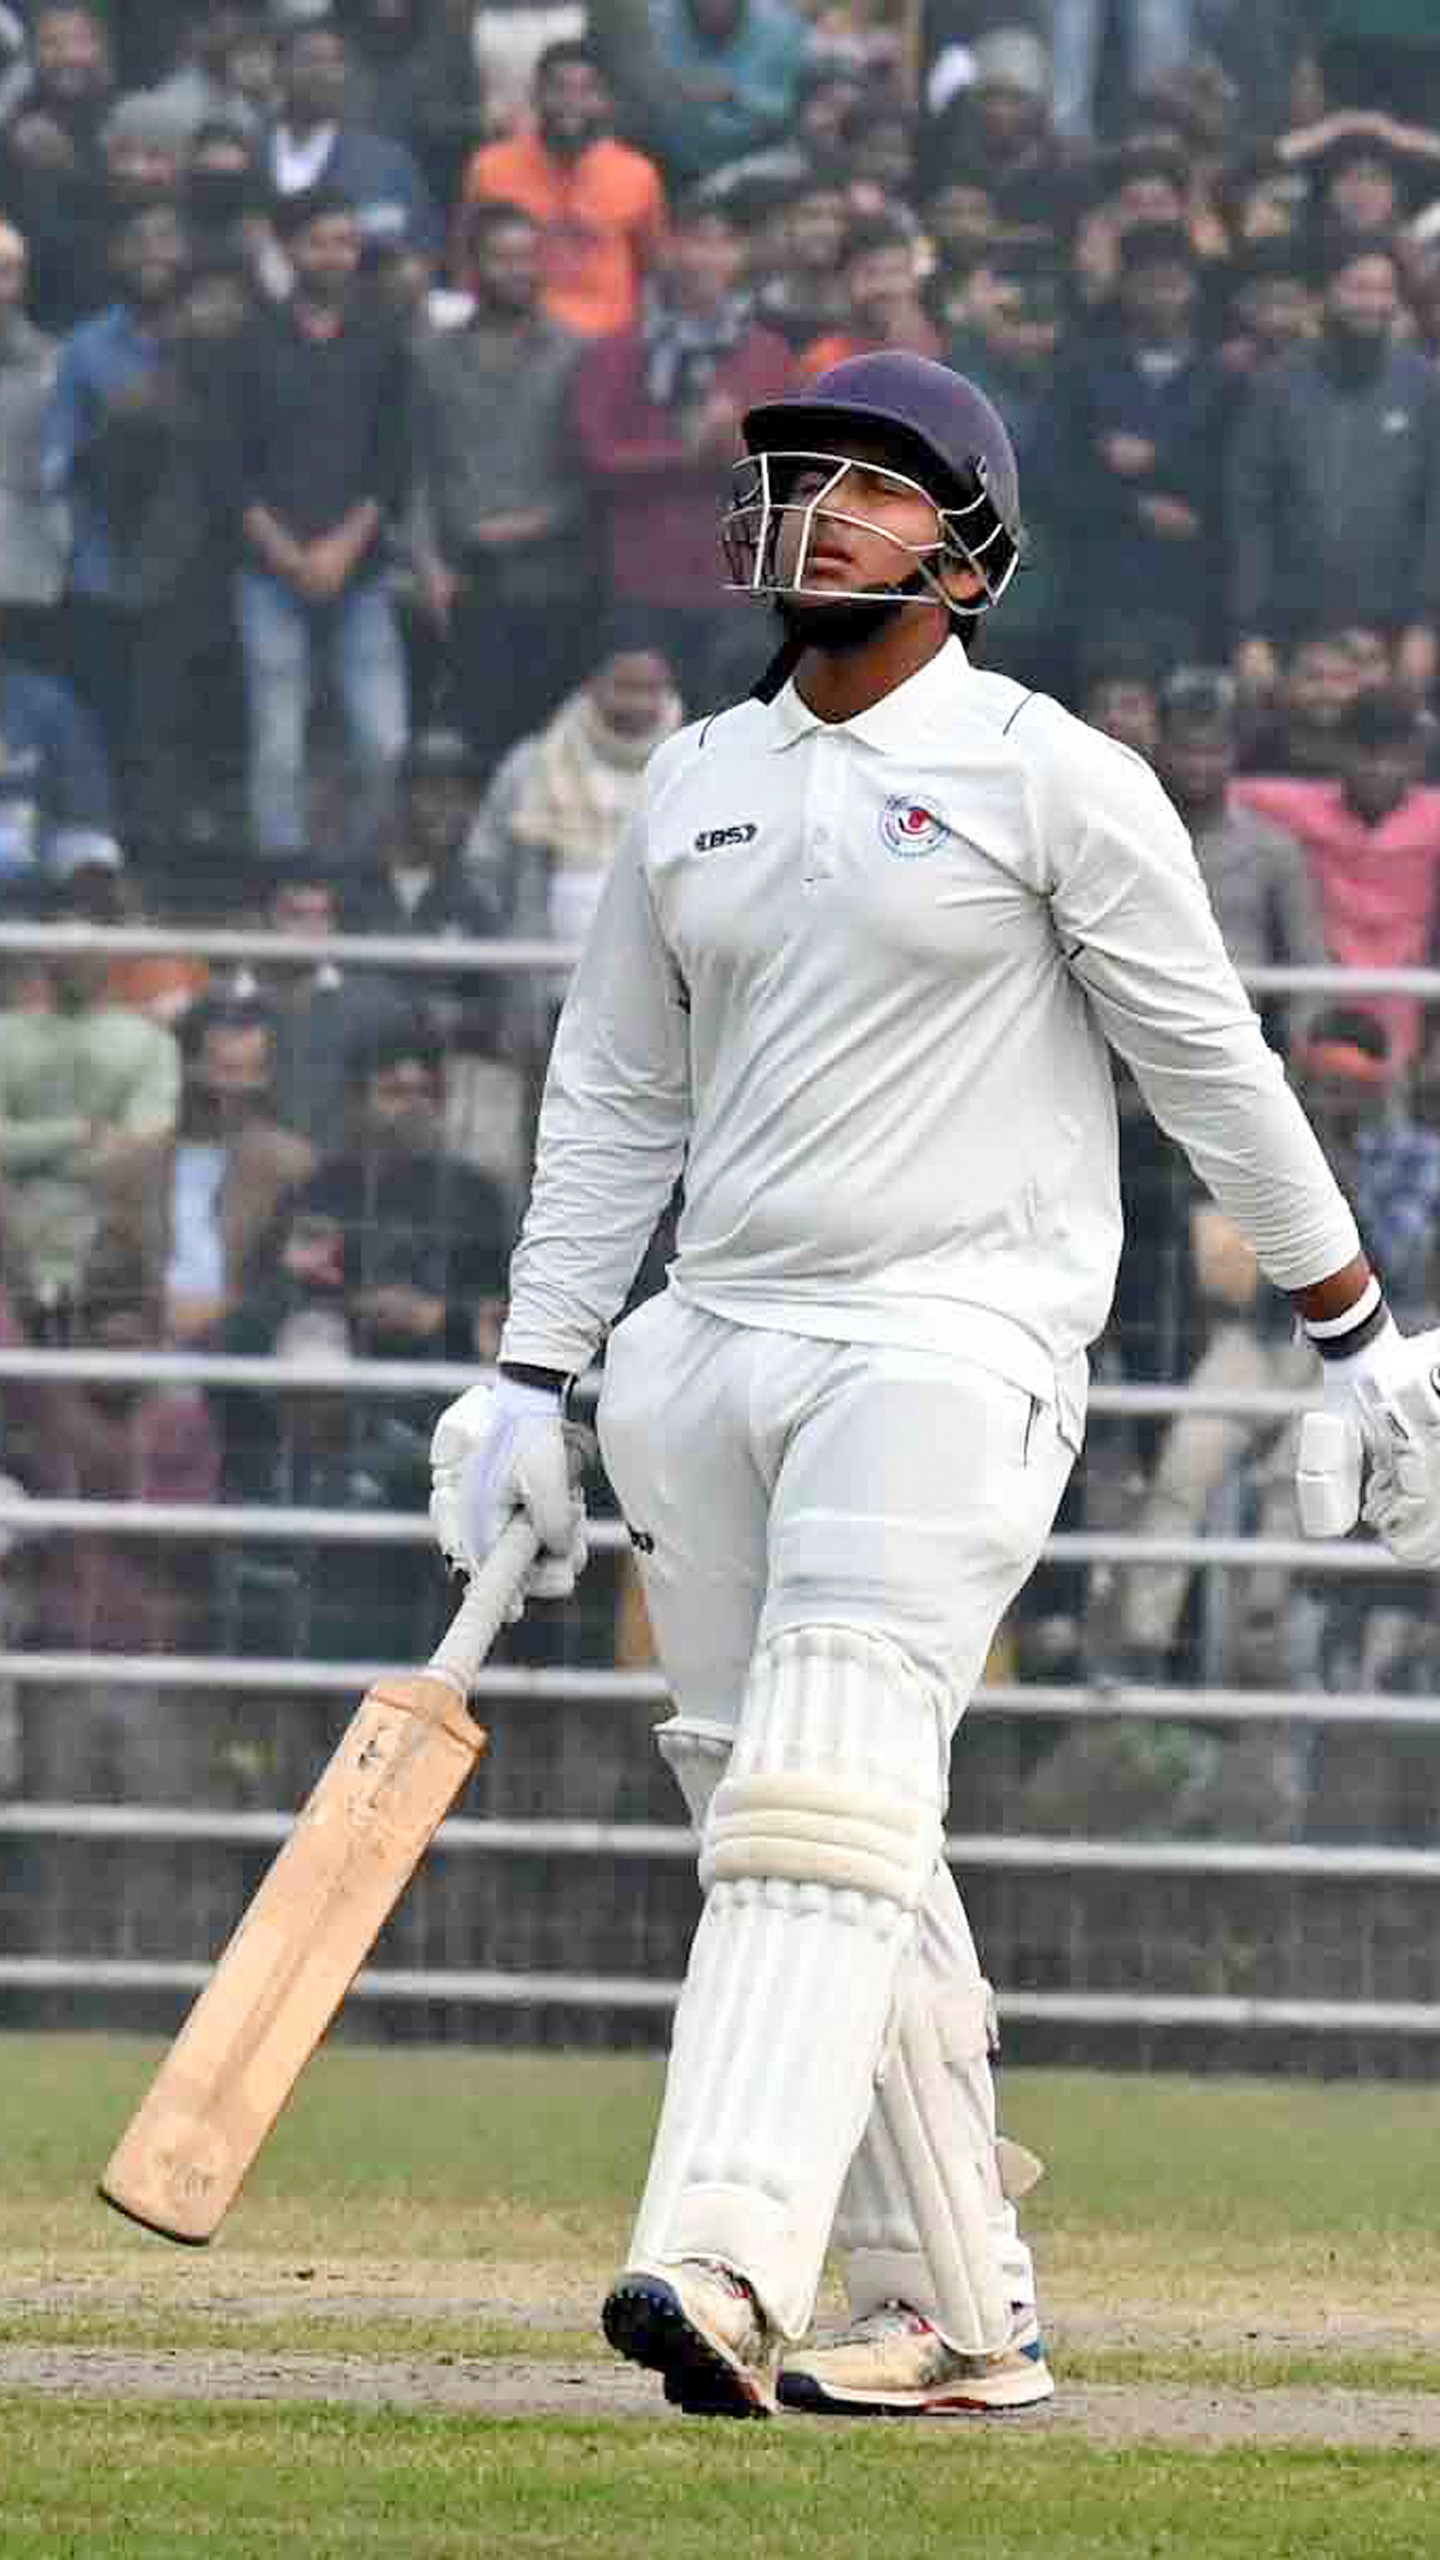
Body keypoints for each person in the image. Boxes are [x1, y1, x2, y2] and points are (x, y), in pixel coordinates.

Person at [424, 348, 1440, 2422]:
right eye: (792, 475)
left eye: (864, 485)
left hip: (954, 1337)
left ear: (965, 546)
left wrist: (1357, 1329)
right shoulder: (688, 777)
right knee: (785, 1804)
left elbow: (1208, 1068)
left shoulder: (1054, 774)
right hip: (704, 1344)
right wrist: (530, 1372)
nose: (810, 511)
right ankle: (962, 2304)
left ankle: (720, 2252)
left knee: (817, 1795)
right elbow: (614, 1093)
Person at [226, 184, 412, 860]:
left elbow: (394, 462)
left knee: (382, 738)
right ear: (289, 248)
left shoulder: (381, 342)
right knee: (277, 742)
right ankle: (281, 881)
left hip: (359, 568)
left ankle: (365, 878)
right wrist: (287, 554)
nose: (333, 256)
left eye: (344, 243)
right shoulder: (249, 340)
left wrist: (338, 550)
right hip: (265, 570)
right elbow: (224, 466)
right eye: (318, 242)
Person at [571, 189, 791, 712]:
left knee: (730, 738)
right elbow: (591, 458)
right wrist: (682, 455)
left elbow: (786, 471)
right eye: (694, 241)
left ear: (741, 255)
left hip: (734, 585)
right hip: (638, 577)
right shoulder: (618, 350)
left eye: (722, 243)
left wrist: (729, 443)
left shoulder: (767, 354)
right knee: (641, 733)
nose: (706, 258)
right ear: (667, 249)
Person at [412, 197, 591, 773]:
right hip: (462, 582)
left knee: (548, 742)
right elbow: (416, 466)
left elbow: (593, 470)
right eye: (502, 257)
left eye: (529, 257)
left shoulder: (576, 355)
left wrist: (534, 523)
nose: (519, 270)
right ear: (472, 267)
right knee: (472, 741)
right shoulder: (433, 357)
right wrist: (426, 563)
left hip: (554, 576)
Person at [1227, 240, 1440, 718]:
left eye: (1384, 290)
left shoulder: (1426, 389)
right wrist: (1249, 631)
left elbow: (1435, 516)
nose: (1373, 303)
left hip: (1394, 629)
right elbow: (1249, 516)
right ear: (1324, 295)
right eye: (1358, 288)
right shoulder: (1275, 387)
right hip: (1291, 625)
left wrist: (1427, 626)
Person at [1234, 688, 1440, 1071]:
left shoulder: (1434, 815)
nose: (1378, 770)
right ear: (1339, 753)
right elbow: (1208, 784)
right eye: (1366, 755)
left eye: (1393, 757)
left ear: (1414, 758)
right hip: (1323, 1004)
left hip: (1408, 1004)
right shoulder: (1299, 805)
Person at [459, 43, 667, 342]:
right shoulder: (491, 168)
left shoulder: (637, 174)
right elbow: (466, 263)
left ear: (607, 101)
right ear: (536, 96)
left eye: (588, 91)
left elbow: (654, 271)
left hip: (606, 342)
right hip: (516, 339)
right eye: (559, 89)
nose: (573, 103)